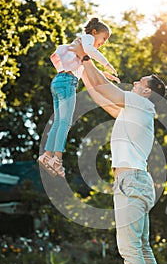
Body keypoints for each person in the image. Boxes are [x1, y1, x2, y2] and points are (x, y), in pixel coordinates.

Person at [75, 43, 167, 264]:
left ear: (146, 91)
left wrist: (87, 57)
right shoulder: (136, 110)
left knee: (130, 249)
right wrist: (84, 70)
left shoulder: (142, 103)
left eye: (140, 82)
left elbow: (108, 90)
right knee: (142, 247)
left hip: (131, 181)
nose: (135, 82)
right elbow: (103, 97)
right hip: (137, 181)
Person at [37, 17, 118, 177]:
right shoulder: (87, 39)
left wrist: (105, 75)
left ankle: (47, 155)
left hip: (58, 82)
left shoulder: (81, 45)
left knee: (59, 121)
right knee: (65, 123)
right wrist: (107, 63)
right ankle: (57, 160)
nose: (104, 43)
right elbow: (91, 53)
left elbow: (86, 66)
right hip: (67, 83)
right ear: (94, 32)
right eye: (104, 38)